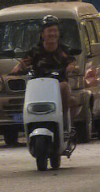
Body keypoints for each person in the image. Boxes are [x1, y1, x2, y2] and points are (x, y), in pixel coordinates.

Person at [11, 17, 78, 145]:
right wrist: (17, 69)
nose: (52, 34)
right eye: (49, 31)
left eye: (55, 31)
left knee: (65, 88)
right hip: (39, 87)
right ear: (43, 34)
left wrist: (71, 68)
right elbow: (23, 63)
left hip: (58, 85)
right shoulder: (35, 51)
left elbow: (72, 63)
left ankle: (64, 124)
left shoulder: (64, 50)